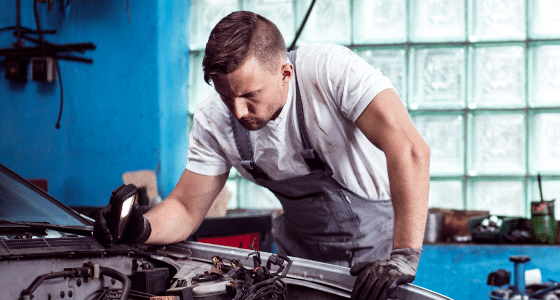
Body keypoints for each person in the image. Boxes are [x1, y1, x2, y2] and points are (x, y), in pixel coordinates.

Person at [92, 11, 430, 300]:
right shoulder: (214, 118)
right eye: (227, 97)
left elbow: (410, 148)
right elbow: (185, 207)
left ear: (285, 74)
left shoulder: (330, 72)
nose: (238, 111)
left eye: (250, 95)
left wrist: (403, 256)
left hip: (377, 260)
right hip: (302, 260)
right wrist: (143, 227)